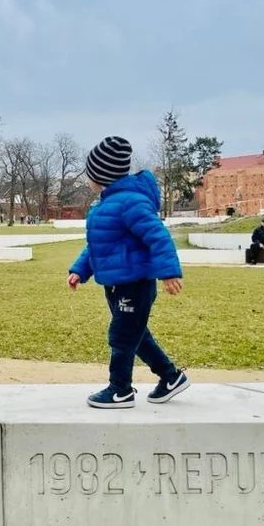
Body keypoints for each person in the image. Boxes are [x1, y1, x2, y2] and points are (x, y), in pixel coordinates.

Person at [67, 136, 189, 409]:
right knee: (137, 334)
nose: (88, 179)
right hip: (116, 284)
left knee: (122, 335)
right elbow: (98, 245)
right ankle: (171, 377)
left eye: (90, 173)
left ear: (101, 175)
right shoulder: (105, 204)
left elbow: (158, 236)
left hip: (135, 283)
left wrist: (168, 272)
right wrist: (79, 270)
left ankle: (120, 389)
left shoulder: (130, 202)